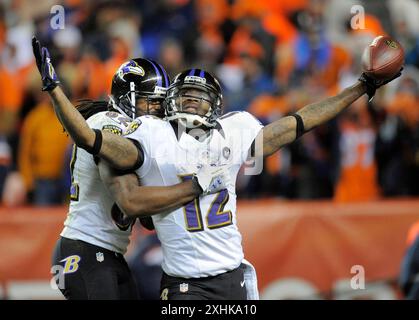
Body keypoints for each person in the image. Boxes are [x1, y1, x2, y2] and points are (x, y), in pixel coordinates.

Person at [33, 36, 402, 300]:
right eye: (155, 102)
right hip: (143, 271)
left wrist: (361, 87)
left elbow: (297, 123)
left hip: (231, 275)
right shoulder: (137, 132)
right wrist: (55, 89)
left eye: (195, 100)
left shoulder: (232, 130)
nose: (167, 109)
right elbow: (105, 161)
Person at [35, 50, 229, 299]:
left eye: (161, 103)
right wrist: (193, 185)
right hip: (85, 248)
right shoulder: (109, 121)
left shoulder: (142, 135)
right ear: (125, 99)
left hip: (108, 253)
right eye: (150, 101)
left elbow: (148, 219)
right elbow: (129, 196)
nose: (157, 111)